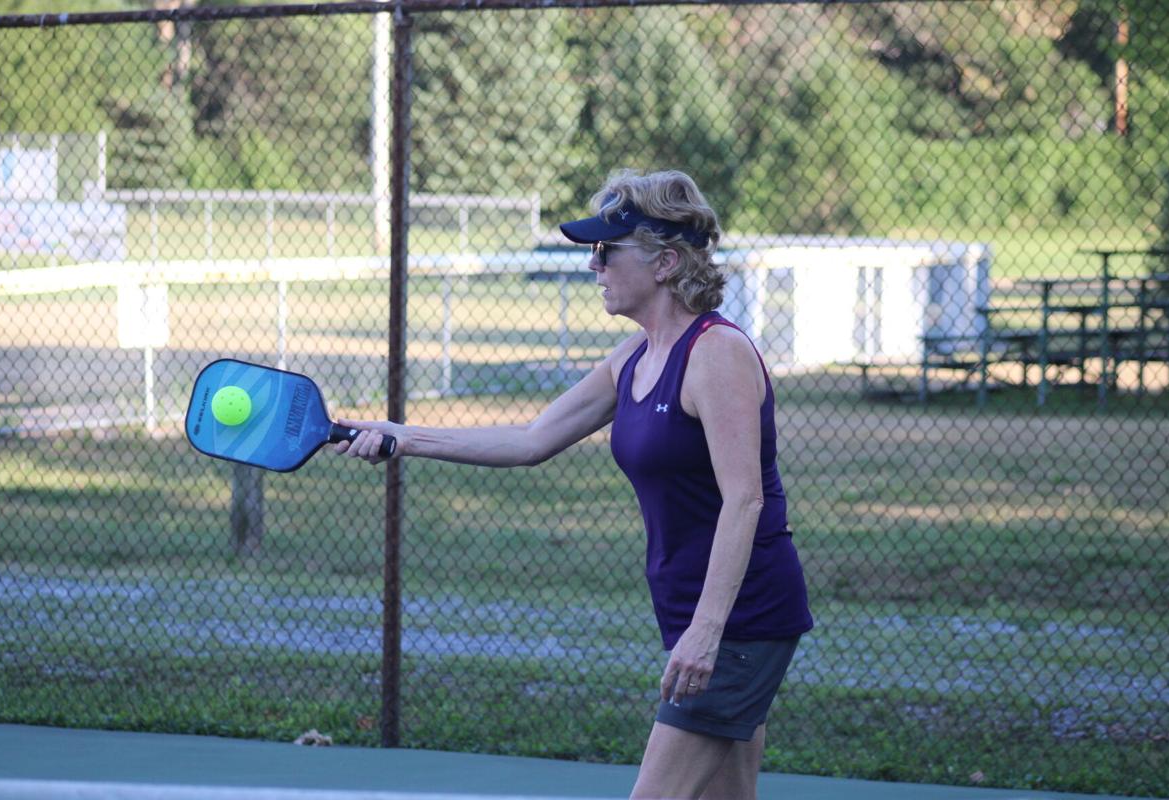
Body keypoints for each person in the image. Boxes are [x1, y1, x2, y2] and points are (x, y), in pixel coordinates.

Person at [333, 169, 813, 800]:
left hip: (740, 617)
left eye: (607, 250)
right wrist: (401, 434)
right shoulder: (634, 357)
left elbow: (744, 499)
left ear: (666, 261)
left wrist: (707, 630)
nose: (594, 265)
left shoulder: (715, 354)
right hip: (695, 611)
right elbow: (531, 440)